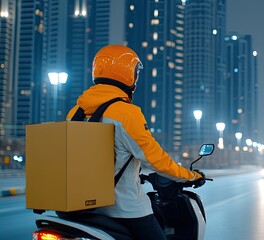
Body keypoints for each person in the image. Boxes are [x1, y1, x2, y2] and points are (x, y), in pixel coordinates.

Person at [66, 44, 205, 239]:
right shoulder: (127, 113)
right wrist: (190, 176)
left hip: (82, 207)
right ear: (127, 74)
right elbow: (156, 160)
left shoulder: (75, 113)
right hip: (124, 209)